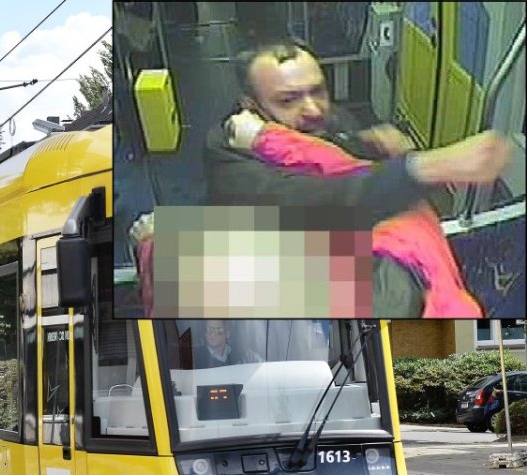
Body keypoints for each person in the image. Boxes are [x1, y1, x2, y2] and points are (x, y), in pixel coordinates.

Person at [204, 39, 512, 315]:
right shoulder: (229, 154)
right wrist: (423, 167)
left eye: (318, 91)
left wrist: (365, 141)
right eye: (288, 100)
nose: (312, 108)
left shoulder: (329, 121)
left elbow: (332, 158)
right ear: (251, 107)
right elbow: (312, 202)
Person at [226, 115, 485, 317]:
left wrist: (259, 135)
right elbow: (322, 156)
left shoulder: (363, 181)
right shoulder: (412, 203)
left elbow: (318, 155)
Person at [193, 320, 261, 369]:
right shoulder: (194, 357)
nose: (212, 334)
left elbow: (265, 367)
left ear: (227, 334)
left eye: (218, 330)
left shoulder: (245, 354)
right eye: (209, 329)